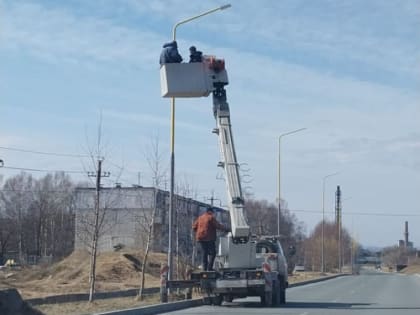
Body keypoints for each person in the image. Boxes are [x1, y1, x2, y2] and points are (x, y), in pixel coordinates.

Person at [192, 207, 227, 271]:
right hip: (209, 238)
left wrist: (199, 231)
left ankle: (204, 269)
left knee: (204, 253)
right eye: (212, 212)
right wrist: (226, 229)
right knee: (213, 253)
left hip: (200, 238)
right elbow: (217, 225)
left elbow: (194, 227)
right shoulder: (211, 217)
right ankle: (209, 268)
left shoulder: (200, 218)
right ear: (210, 212)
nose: (213, 214)